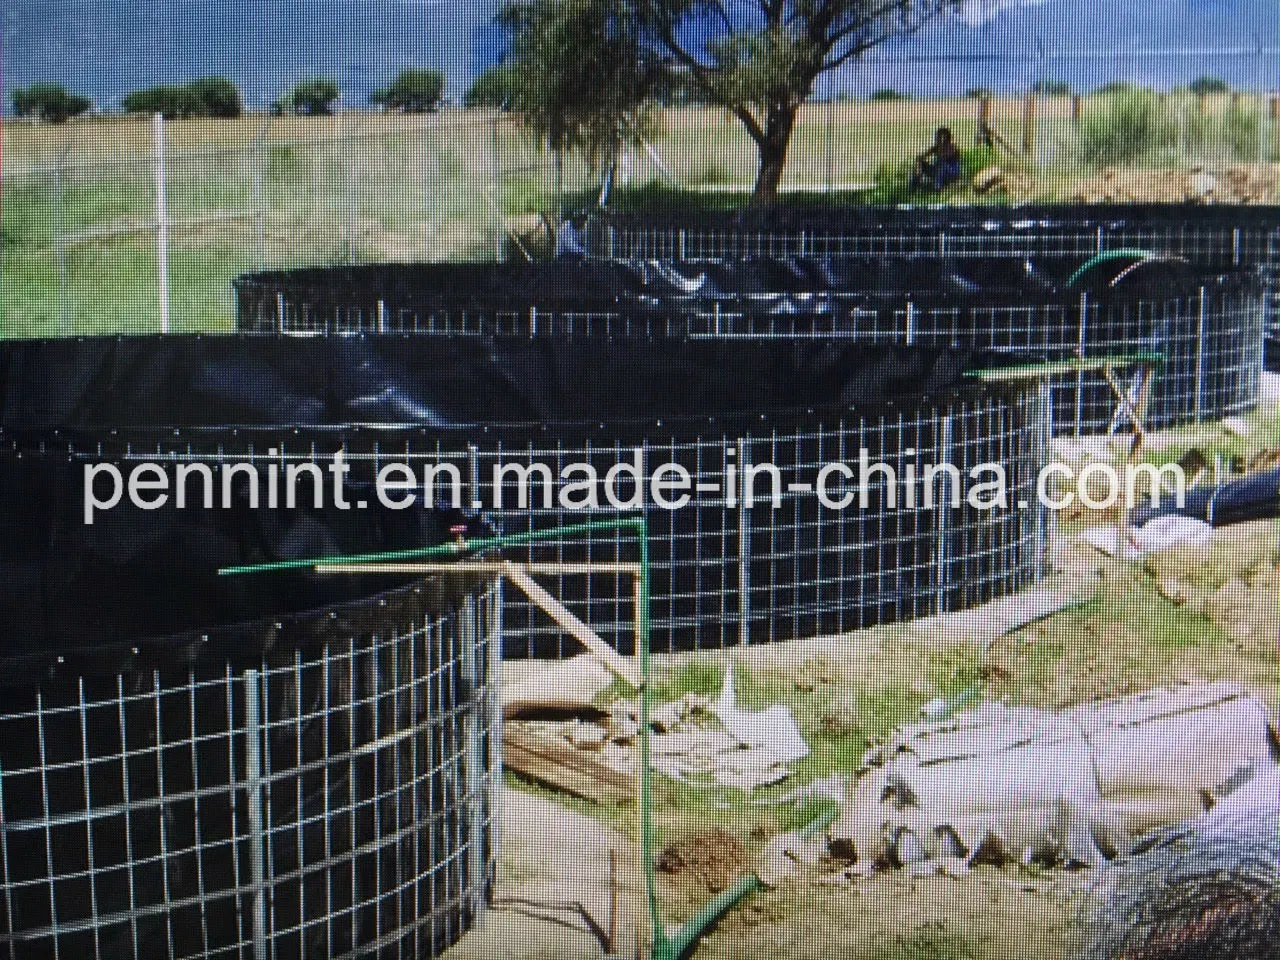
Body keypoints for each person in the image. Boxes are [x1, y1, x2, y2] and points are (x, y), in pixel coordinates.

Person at [911, 126, 962, 191]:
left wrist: (939, 148)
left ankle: (937, 186)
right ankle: (915, 183)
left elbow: (945, 157)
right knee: (919, 162)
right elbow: (921, 157)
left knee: (942, 163)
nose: (940, 139)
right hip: (937, 171)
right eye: (938, 136)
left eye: (941, 137)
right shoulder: (937, 147)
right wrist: (920, 159)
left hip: (950, 173)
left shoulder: (952, 147)